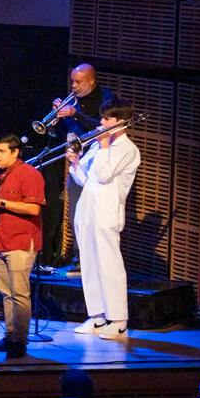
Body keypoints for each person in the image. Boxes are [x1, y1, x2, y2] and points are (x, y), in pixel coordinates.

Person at [69, 104, 141, 339]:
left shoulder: (127, 149)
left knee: (110, 266)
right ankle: (97, 317)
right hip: (87, 212)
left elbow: (104, 175)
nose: (101, 124)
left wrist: (104, 146)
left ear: (120, 122)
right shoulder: (100, 146)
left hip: (107, 214)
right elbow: (85, 180)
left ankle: (119, 321)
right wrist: (76, 162)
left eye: (106, 120)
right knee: (89, 265)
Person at [0, 134, 45, 356]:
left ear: (15, 152)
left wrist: (1, 203)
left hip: (21, 240)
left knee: (19, 294)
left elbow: (34, 209)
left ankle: (20, 342)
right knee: (6, 293)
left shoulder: (30, 174)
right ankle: (9, 336)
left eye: (2, 151)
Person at [45, 62, 117, 263]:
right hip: (74, 160)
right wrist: (53, 124)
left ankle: (89, 256)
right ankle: (78, 253)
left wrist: (75, 114)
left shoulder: (107, 99)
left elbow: (102, 129)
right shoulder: (73, 100)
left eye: (78, 82)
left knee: (92, 211)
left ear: (92, 81)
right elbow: (65, 134)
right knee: (76, 211)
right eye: (72, 82)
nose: (74, 86)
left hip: (98, 159)